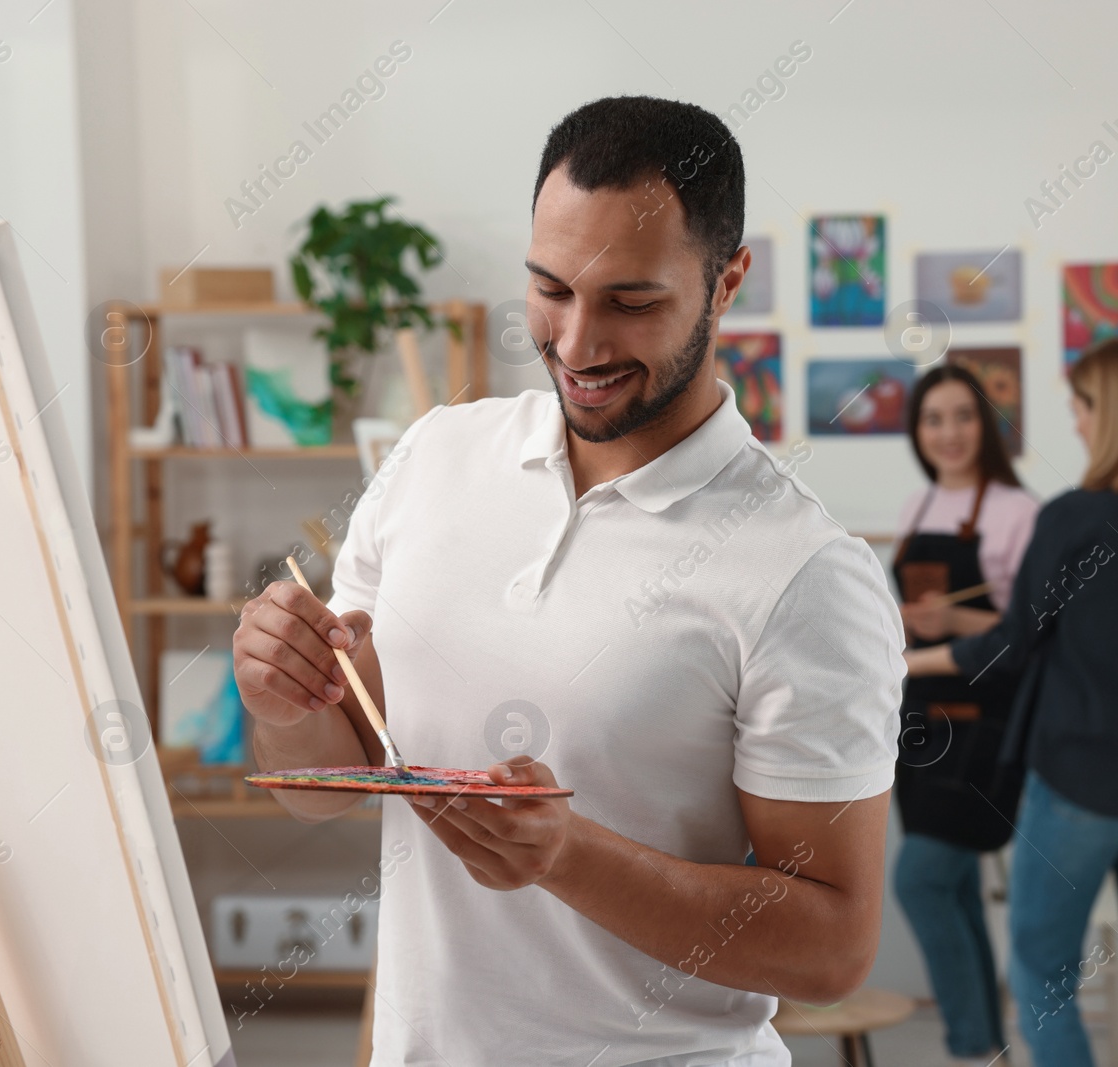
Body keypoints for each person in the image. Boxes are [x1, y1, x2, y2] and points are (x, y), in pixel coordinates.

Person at [232, 96, 906, 1066]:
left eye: (631, 301)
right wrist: (281, 693)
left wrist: (569, 856)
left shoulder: (804, 570)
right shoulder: (434, 458)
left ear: (727, 283)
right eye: (550, 289)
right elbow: (327, 782)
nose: (579, 343)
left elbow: (834, 944)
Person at [905, 337, 1118, 1067]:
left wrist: (909, 660)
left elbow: (1011, 642)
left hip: (1077, 787)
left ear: (1110, 412)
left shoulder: (1074, 519)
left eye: (1081, 407)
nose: (1077, 422)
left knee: (1043, 976)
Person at [890, 365, 1038, 1066]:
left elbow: (1032, 632)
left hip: (986, 724)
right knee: (956, 890)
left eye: (962, 416)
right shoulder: (915, 508)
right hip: (919, 718)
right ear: (917, 431)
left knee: (918, 879)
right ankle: (990, 1052)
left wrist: (957, 617)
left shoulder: (1018, 510)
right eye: (933, 419)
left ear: (987, 424)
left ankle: (968, 1049)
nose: (948, 433)